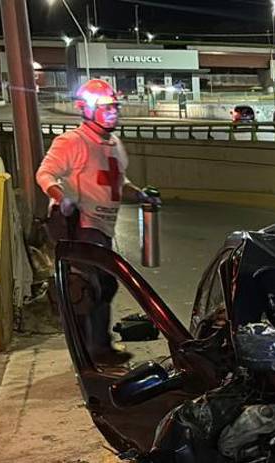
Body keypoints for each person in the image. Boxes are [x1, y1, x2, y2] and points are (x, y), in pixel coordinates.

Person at [36, 78, 160, 364]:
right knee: (84, 289)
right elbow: (45, 173)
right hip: (78, 226)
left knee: (104, 285)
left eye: (114, 106)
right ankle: (90, 353)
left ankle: (97, 348)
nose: (112, 112)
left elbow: (119, 181)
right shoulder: (72, 141)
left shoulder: (114, 143)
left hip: (103, 228)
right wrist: (60, 196)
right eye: (105, 107)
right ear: (85, 109)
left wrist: (140, 194)